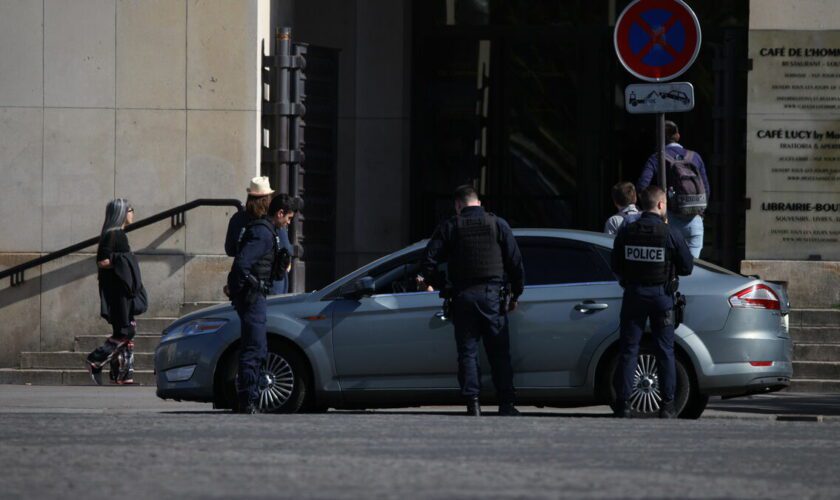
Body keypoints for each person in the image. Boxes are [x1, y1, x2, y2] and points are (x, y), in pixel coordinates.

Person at [418, 185, 525, 417]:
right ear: (478, 201)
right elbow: (516, 263)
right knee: (499, 352)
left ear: (458, 205)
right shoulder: (498, 224)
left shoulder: (450, 226)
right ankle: (506, 404)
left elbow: (427, 262)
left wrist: (438, 284)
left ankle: (473, 403)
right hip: (492, 296)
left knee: (467, 352)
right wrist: (516, 294)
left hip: (463, 295)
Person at [611, 186, 693, 419]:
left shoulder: (627, 231)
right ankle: (667, 406)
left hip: (634, 295)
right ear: (660, 205)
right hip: (661, 297)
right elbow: (687, 267)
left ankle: (623, 404)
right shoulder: (670, 233)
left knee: (628, 350)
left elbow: (615, 265)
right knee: (665, 351)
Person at [227, 194, 298, 413]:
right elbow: (242, 265)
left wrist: (281, 261)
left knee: (258, 346)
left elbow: (270, 272)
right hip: (252, 297)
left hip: (255, 296)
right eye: (289, 218)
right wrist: (245, 289)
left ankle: (250, 397)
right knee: (254, 347)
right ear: (279, 214)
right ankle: (247, 399)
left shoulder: (270, 233)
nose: (289, 223)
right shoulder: (263, 233)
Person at [87, 199, 147, 385]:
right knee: (126, 330)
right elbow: (102, 261)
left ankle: (122, 375)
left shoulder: (117, 234)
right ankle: (96, 359)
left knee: (125, 329)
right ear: (121, 213)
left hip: (120, 290)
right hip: (119, 291)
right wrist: (124, 260)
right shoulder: (114, 235)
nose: (132, 213)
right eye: (130, 210)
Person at [637, 120, 709, 258]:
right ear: (678, 136)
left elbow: (642, 186)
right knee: (694, 269)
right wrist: (700, 213)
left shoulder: (656, 158)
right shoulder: (695, 157)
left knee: (669, 266)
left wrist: (654, 212)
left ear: (659, 138)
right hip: (695, 220)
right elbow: (706, 188)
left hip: (669, 219)